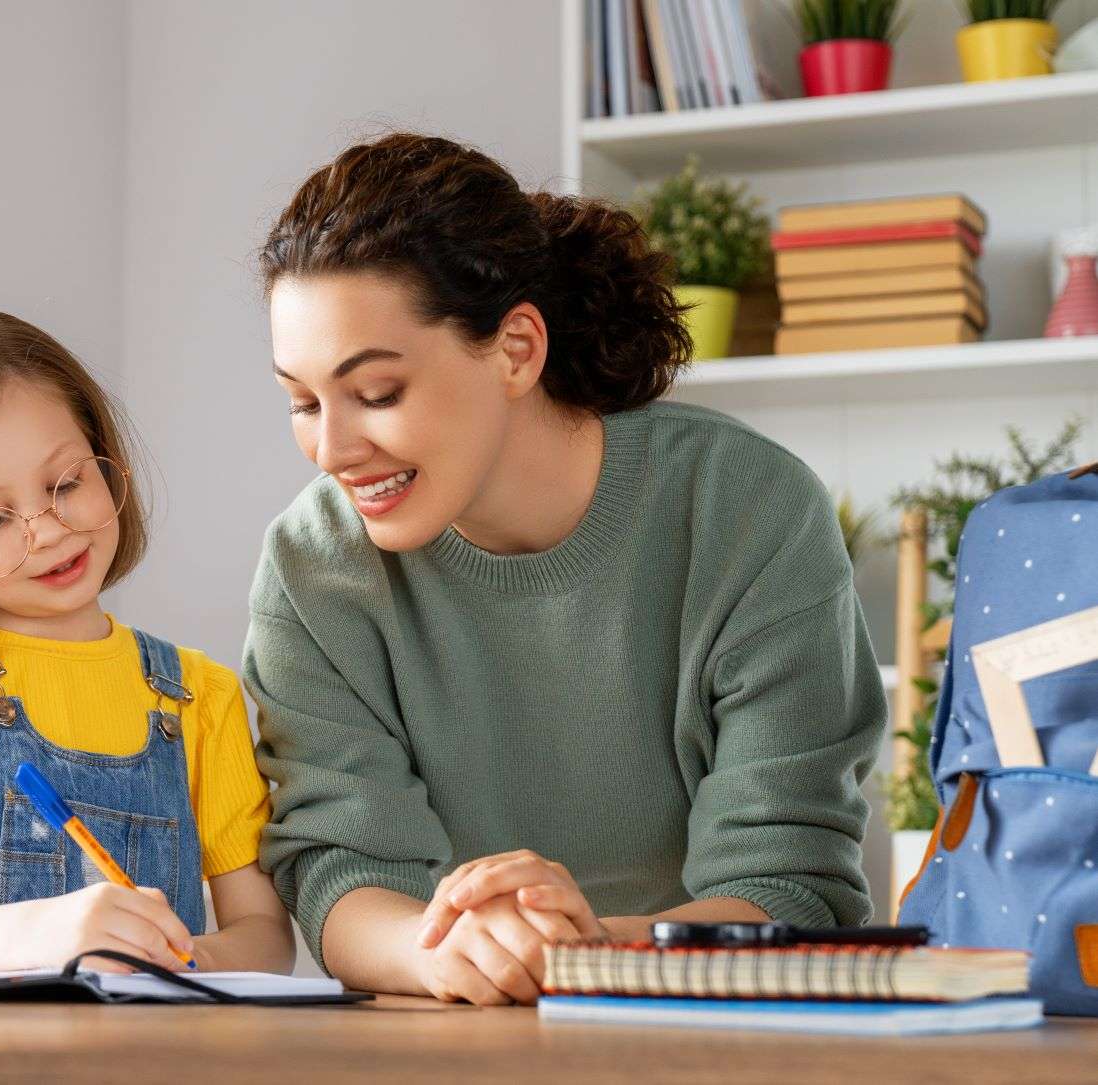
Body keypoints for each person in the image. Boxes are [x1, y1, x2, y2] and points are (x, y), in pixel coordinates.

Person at [246, 133, 884, 1004]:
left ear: (515, 349)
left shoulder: (746, 509)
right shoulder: (310, 568)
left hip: (717, 1030)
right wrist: (438, 952)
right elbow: (341, 871)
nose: (333, 448)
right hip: (443, 1031)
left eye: (379, 393)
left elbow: (792, 884)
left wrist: (590, 950)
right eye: (303, 401)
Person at [0, 309, 293, 975]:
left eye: (67, 482)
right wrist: (55, 931)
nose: (46, 529)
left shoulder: (199, 698)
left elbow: (266, 940)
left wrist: (175, 956)